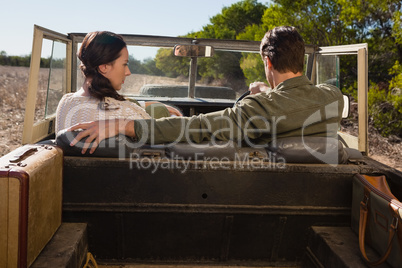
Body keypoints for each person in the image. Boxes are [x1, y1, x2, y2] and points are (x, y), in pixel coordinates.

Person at [67, 26, 344, 154]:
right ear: (302, 60)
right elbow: (302, 101)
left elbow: (197, 127)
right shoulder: (332, 97)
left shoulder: (256, 110)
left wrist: (126, 126)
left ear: (268, 62)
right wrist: (266, 92)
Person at [56, 31, 181, 135]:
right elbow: (159, 136)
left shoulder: (65, 104)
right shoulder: (128, 113)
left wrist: (147, 104)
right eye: (124, 64)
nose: (128, 72)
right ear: (104, 67)